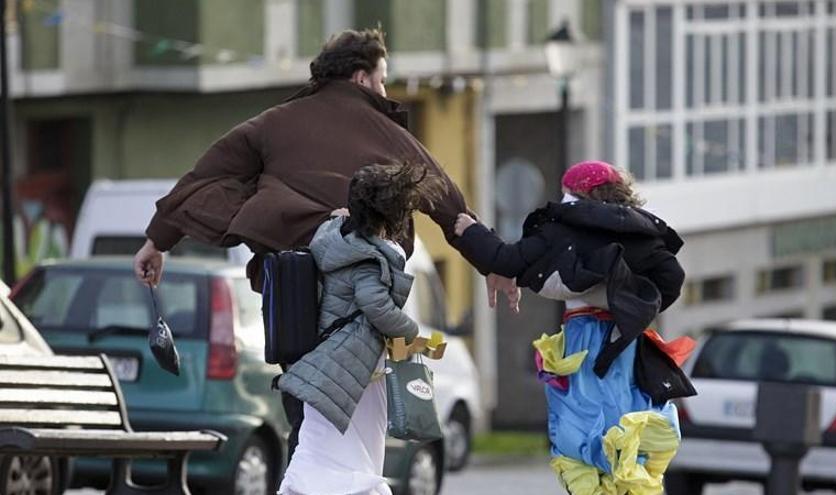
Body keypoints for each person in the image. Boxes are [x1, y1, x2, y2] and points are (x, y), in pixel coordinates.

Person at [132, 28, 520, 464]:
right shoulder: (390, 136)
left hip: (292, 296)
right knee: (354, 432)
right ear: (360, 78)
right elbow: (448, 203)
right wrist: (492, 261)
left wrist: (158, 242)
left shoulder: (273, 123)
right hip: (364, 306)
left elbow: (202, 179)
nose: (384, 90)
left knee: (308, 415)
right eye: (382, 79)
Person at [453, 160, 694, 495]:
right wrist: (632, 303)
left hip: (584, 342)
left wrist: (470, 232)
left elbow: (506, 260)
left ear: (575, 194)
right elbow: (672, 279)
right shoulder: (644, 232)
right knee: (623, 429)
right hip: (624, 342)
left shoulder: (563, 228)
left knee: (583, 430)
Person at [275, 162, 441, 495]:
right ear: (389, 214)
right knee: (355, 453)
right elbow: (376, 306)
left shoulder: (334, 236)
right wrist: (418, 338)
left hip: (327, 362)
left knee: (319, 447)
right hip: (357, 370)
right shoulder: (369, 258)